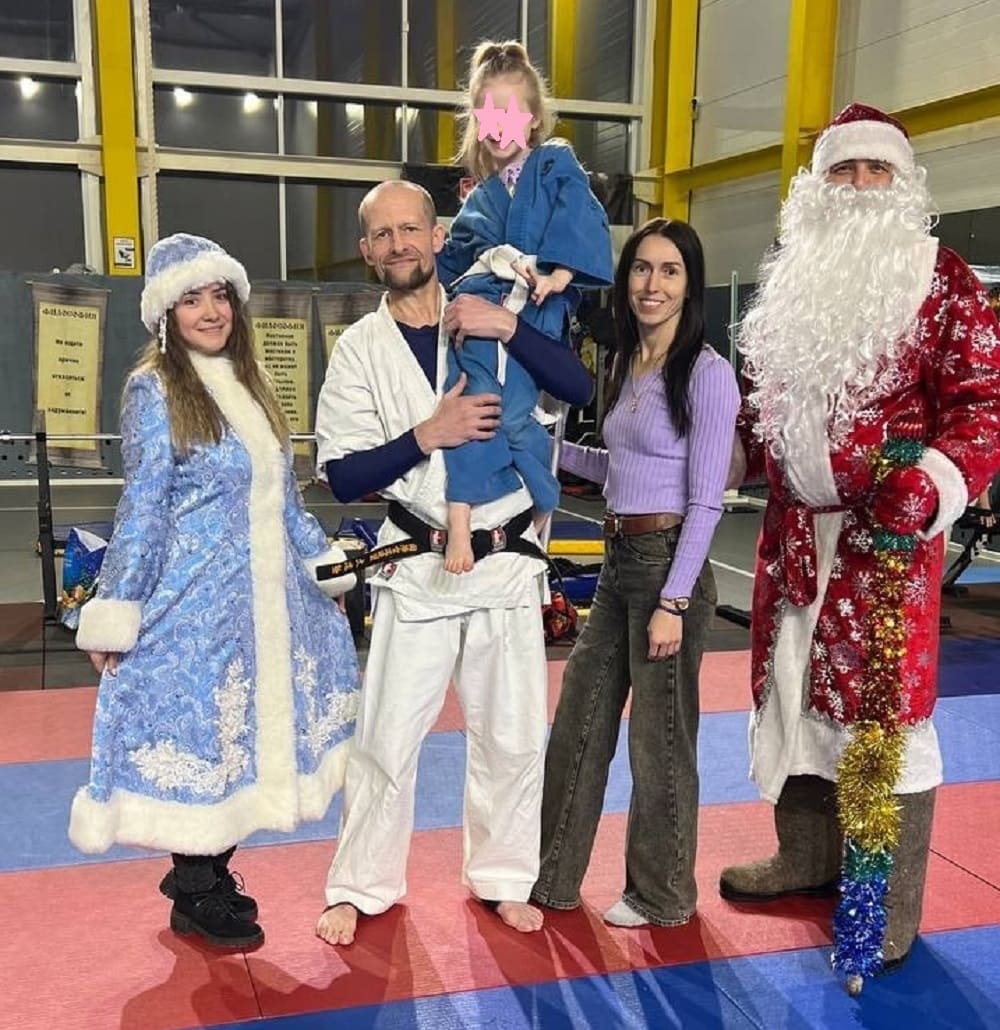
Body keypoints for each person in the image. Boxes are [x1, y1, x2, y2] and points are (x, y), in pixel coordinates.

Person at [718, 104, 1000, 987]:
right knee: (796, 698)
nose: (861, 186)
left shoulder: (942, 280)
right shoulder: (794, 275)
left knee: (884, 724)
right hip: (794, 537)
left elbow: (983, 405)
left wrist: (933, 483)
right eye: (845, 170)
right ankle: (807, 857)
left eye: (879, 170)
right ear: (818, 185)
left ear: (904, 183)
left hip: (886, 545)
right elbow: (766, 407)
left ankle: (885, 905)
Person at [313, 179, 594, 945]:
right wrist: (426, 435)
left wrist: (510, 327)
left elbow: (576, 384)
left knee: (513, 736)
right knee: (385, 740)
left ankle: (502, 877)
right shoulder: (360, 349)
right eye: (383, 234)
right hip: (418, 563)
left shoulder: (487, 311)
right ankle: (360, 885)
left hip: (504, 560)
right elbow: (343, 476)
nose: (399, 243)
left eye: (412, 228)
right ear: (367, 251)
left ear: (438, 237)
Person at [70, 233, 361, 949]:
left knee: (243, 739)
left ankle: (209, 874)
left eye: (220, 295)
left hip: (262, 606)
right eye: (192, 299)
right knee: (202, 738)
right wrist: (117, 610)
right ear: (166, 314)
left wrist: (323, 565)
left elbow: (284, 502)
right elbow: (143, 508)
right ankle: (195, 886)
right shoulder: (156, 389)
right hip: (193, 607)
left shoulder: (252, 384)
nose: (211, 311)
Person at [529, 219, 740, 927]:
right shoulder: (625, 361)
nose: (653, 284)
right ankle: (552, 878)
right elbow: (618, 466)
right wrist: (541, 449)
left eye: (670, 271)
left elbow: (706, 499)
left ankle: (663, 895)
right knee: (579, 721)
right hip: (619, 560)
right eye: (642, 269)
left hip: (667, 567)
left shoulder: (706, 374)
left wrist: (673, 602)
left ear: (690, 284)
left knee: (659, 745)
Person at [437, 40, 614, 573]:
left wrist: (561, 272)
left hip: (537, 310)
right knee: (472, 406)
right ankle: (470, 517)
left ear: (533, 119)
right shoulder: (481, 197)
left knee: (512, 415)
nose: (499, 127)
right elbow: (455, 260)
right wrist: (434, 252)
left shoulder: (555, 162)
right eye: (489, 114)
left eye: (510, 113)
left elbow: (578, 213)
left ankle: (538, 507)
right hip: (482, 314)